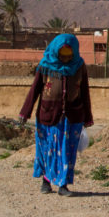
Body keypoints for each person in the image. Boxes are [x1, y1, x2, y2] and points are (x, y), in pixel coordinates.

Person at [19, 33, 93, 196]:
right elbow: (35, 89)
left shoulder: (79, 66)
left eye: (69, 55)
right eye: (62, 55)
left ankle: (63, 184)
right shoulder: (45, 65)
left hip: (72, 117)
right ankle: (46, 181)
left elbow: (84, 91)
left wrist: (88, 117)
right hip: (49, 116)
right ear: (56, 52)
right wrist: (25, 112)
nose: (66, 59)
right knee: (49, 149)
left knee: (67, 151)